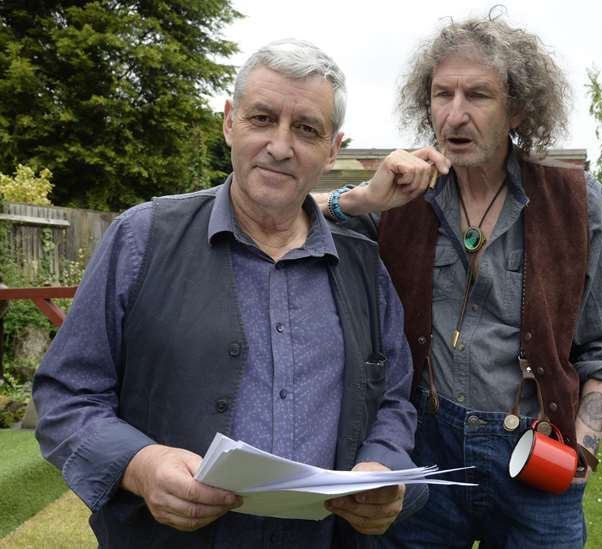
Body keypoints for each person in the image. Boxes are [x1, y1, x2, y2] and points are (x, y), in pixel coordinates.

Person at [33, 39, 425, 549]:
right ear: (228, 123)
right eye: (262, 118)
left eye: (306, 129)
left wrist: (383, 465)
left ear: (333, 149)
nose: (280, 146)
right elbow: (67, 394)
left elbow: (392, 399)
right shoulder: (142, 239)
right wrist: (140, 465)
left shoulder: (363, 267)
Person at [314, 15, 602, 549]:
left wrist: (584, 442)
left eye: (479, 95)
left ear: (519, 108)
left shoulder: (576, 200)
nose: (455, 114)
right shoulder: (401, 197)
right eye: (443, 94)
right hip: (424, 451)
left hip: (537, 453)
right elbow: (284, 213)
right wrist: (363, 198)